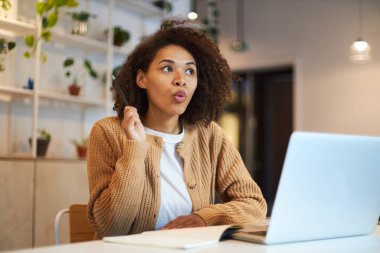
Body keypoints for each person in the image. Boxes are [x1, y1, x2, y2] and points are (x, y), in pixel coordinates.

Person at [87, 19, 267, 239]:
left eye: (190, 72)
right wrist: (134, 148)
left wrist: (204, 218)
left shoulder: (209, 135)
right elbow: (111, 227)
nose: (181, 80)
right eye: (167, 68)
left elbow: (255, 205)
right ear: (142, 78)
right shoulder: (108, 132)